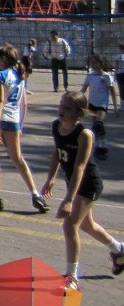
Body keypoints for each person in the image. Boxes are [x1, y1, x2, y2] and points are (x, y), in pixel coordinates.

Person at [41, 91, 124, 291]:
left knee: (70, 225)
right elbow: (56, 153)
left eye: (68, 108)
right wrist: (51, 178)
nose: (62, 110)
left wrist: (68, 200)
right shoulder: (56, 126)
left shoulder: (84, 134)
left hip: (88, 184)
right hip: (74, 183)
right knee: (87, 225)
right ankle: (119, 249)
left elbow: (80, 167)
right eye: (61, 105)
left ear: (79, 113)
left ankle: (72, 277)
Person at [0, 44, 50, 213]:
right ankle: (35, 194)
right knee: (18, 158)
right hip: (13, 118)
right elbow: (24, 103)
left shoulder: (0, 75)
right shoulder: (20, 75)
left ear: (2, 60)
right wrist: (20, 125)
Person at [80, 55, 118, 161]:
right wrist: (76, 99)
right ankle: (97, 148)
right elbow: (84, 89)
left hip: (102, 104)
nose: (93, 64)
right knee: (95, 127)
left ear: (101, 64)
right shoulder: (90, 75)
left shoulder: (106, 76)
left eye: (95, 62)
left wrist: (115, 106)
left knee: (99, 125)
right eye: (92, 63)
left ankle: (103, 148)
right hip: (92, 103)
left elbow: (112, 92)